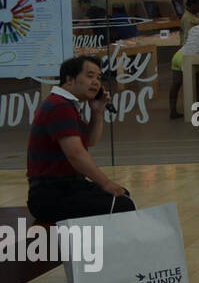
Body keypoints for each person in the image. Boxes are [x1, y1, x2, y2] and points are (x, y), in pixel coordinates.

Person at [27, 56, 137, 222]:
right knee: (121, 205)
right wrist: (105, 182)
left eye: (99, 78)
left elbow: (89, 141)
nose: (96, 82)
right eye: (90, 76)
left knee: (123, 196)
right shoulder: (60, 106)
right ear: (69, 80)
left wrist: (97, 112)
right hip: (51, 194)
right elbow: (76, 153)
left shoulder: (65, 104)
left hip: (67, 187)